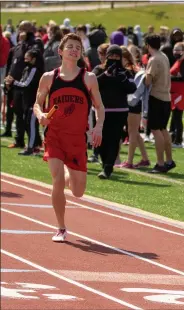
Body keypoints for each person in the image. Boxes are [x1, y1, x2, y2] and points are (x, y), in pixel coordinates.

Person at [33, 33, 105, 242]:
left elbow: (100, 107)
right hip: (54, 136)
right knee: (55, 180)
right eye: (70, 46)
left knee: (78, 191)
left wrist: (98, 126)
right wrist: (41, 116)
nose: (74, 50)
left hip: (76, 140)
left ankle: (68, 171)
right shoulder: (49, 77)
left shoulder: (88, 78)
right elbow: (37, 104)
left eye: (78, 47)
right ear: (60, 51)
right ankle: (61, 228)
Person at [92, 44, 137, 179]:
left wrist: (121, 78)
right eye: (111, 55)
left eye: (117, 56)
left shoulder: (125, 72)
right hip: (101, 111)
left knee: (114, 140)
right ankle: (105, 163)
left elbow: (132, 88)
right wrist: (106, 75)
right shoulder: (99, 70)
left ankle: (108, 167)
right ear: (107, 56)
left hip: (119, 111)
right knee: (100, 140)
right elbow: (92, 84)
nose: (114, 58)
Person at [144, 34, 175, 173]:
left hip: (156, 97)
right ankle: (169, 160)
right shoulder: (164, 56)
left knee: (156, 130)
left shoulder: (154, 59)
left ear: (148, 45)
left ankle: (160, 163)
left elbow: (148, 81)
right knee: (163, 130)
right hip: (167, 97)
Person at [5, 50, 44, 155]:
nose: (25, 59)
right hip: (26, 101)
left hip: (33, 102)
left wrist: (13, 82)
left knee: (31, 124)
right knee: (27, 124)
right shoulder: (27, 69)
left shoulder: (35, 70)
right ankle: (35, 145)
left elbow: (26, 84)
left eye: (28, 58)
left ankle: (31, 148)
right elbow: (22, 83)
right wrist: (11, 84)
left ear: (34, 59)